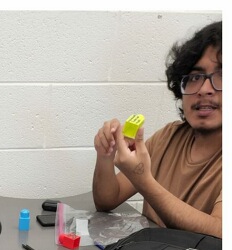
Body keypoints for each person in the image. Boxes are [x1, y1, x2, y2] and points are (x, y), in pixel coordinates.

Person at [93, 21, 221, 236]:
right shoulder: (169, 136)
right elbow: (107, 200)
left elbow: (220, 232)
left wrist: (143, 181)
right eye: (195, 77)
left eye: (222, 75)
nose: (204, 89)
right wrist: (106, 155)